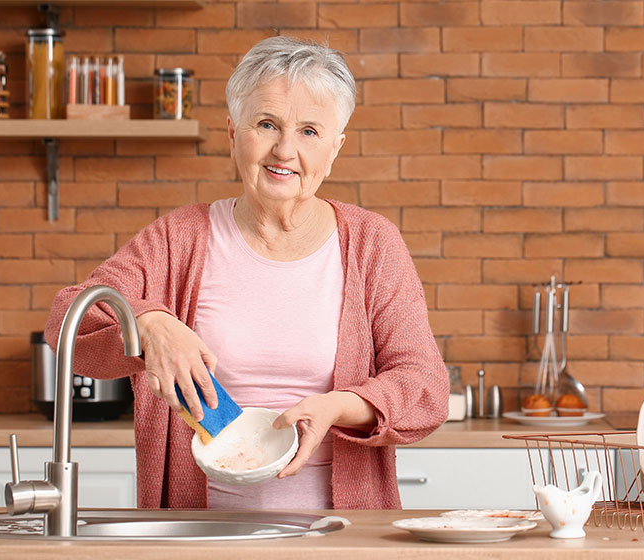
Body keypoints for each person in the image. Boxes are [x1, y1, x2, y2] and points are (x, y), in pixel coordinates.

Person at [44, 36, 449, 510]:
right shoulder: (180, 238)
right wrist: (150, 323)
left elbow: (425, 387)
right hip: (200, 536)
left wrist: (338, 407)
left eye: (309, 132)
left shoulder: (371, 244)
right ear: (234, 135)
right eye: (266, 124)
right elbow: (66, 318)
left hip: (340, 538)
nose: (284, 150)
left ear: (335, 150)